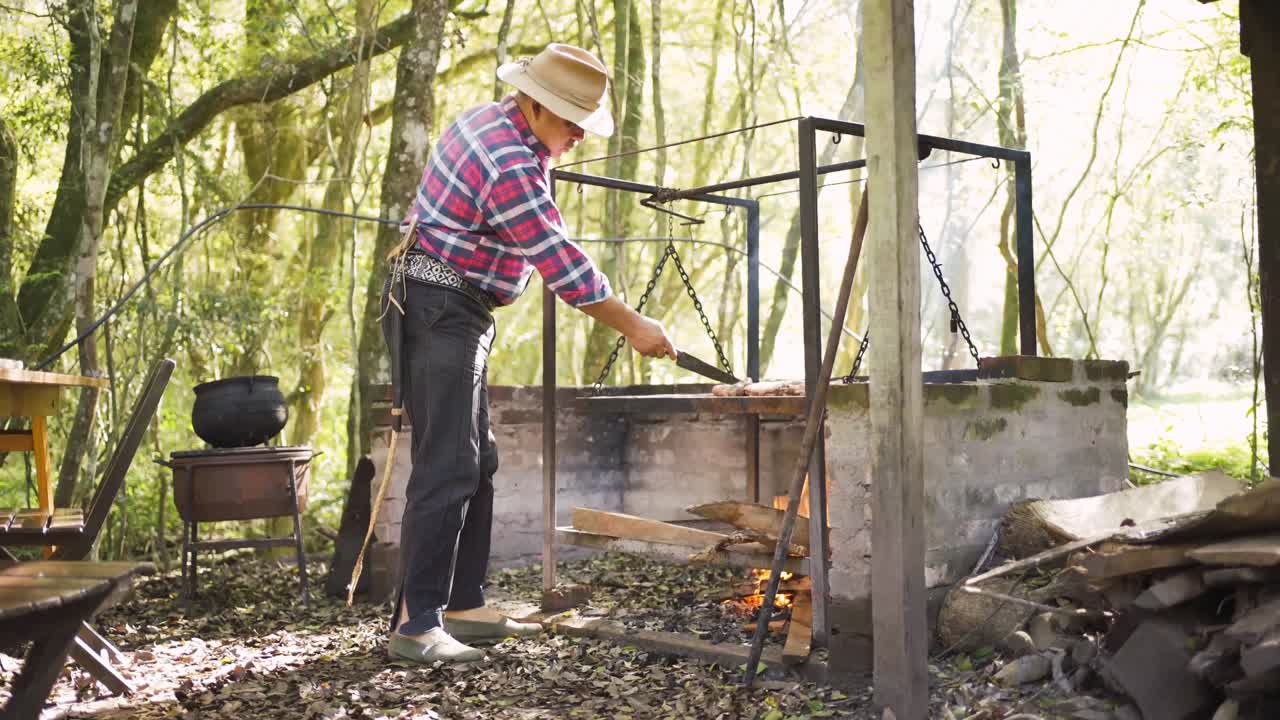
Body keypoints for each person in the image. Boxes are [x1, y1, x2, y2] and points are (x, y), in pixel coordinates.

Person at [380, 43, 677, 664]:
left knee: (476, 460)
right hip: (440, 307)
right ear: (537, 105)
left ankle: (461, 604)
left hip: (452, 305)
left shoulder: (489, 121)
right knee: (447, 465)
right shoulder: (509, 160)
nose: (577, 137)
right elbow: (563, 266)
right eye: (572, 123)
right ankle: (416, 625)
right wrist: (635, 325)